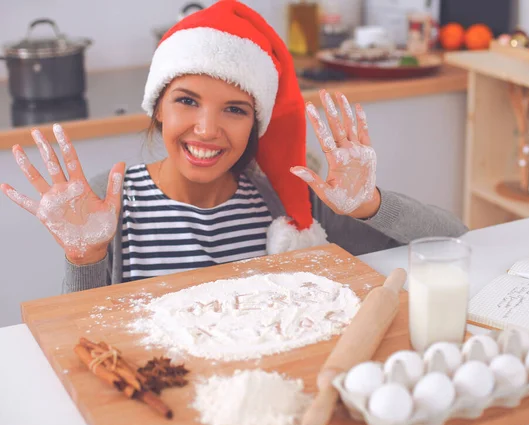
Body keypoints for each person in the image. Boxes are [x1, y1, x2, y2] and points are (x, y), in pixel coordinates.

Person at [0, 0, 467, 294]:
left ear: (255, 125)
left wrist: (370, 204)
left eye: (235, 110)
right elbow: (81, 334)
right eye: (187, 101)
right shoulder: (111, 203)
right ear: (157, 108)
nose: (206, 129)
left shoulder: (290, 198)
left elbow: (452, 238)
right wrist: (85, 257)